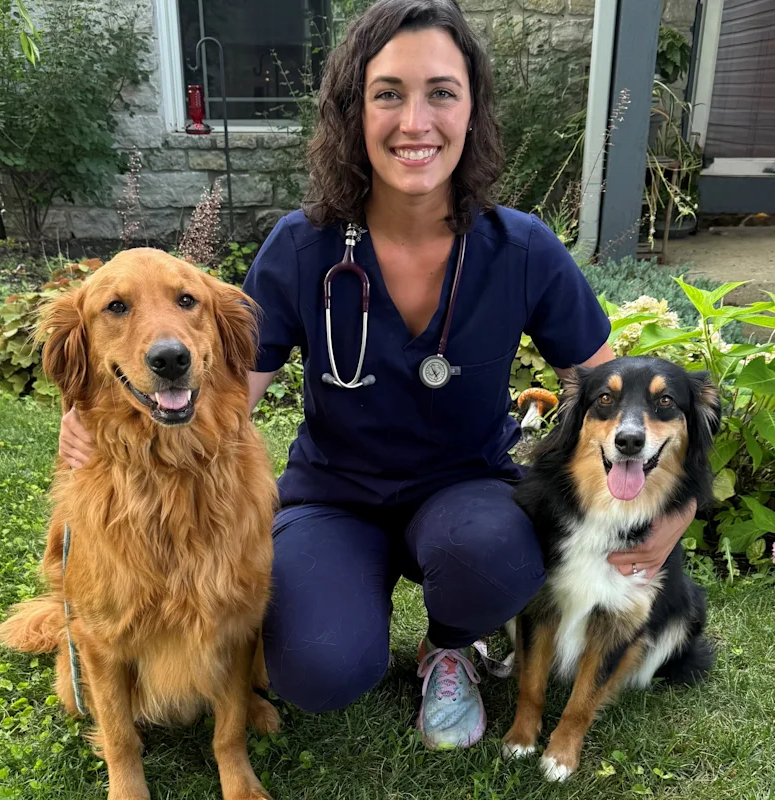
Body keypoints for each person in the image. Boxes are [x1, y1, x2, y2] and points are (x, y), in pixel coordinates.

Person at [59, 0, 696, 751]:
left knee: (496, 556)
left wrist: (675, 513)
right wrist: (104, 408)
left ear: (473, 110)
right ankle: (351, 621)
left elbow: (619, 394)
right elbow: (223, 395)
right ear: (352, 112)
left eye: (441, 93)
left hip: (466, 493)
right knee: (315, 667)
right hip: (334, 497)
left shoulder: (522, 248)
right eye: (388, 93)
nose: (414, 122)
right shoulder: (302, 248)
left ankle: (450, 645)